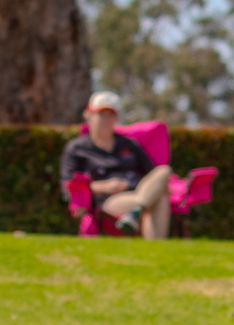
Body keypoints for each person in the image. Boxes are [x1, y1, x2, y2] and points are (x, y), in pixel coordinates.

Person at [59, 91, 172, 238]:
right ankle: (141, 218)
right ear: (89, 116)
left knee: (163, 171)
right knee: (159, 199)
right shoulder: (77, 148)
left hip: (137, 191)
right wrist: (104, 186)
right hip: (108, 201)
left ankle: (136, 213)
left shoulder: (129, 145)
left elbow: (151, 173)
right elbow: (68, 186)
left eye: (110, 115)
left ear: (116, 118)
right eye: (101, 114)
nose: (106, 119)